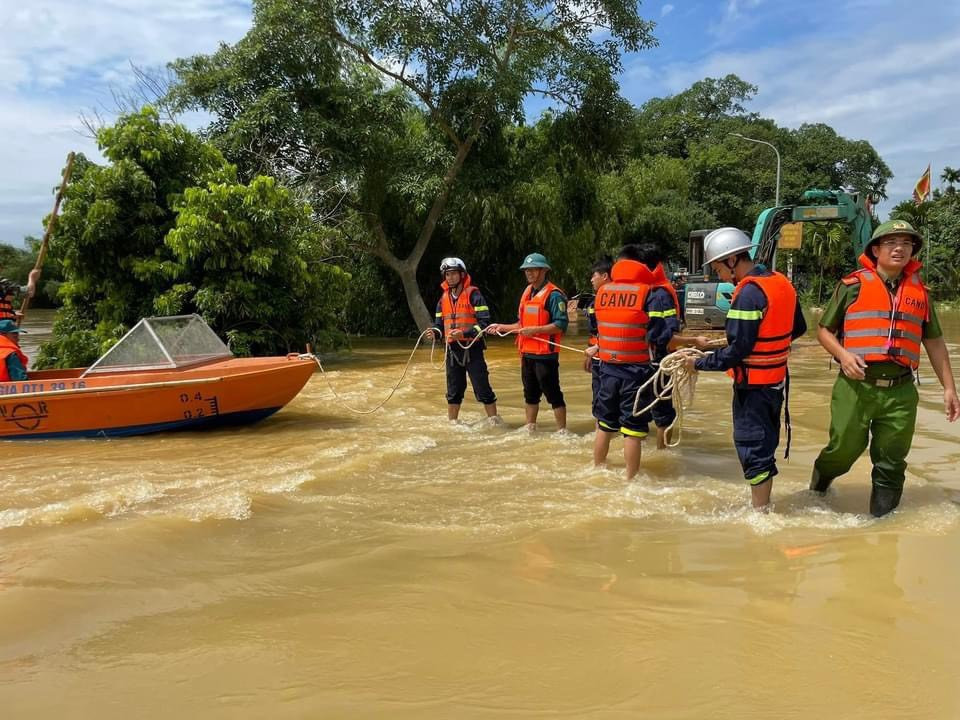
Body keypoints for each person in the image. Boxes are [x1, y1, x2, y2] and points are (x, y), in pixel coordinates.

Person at [810, 219, 959, 516]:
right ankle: (817, 490)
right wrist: (843, 355)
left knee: (891, 461)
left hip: (901, 392)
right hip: (856, 386)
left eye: (906, 243)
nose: (899, 248)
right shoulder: (851, 286)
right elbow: (824, 331)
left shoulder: (921, 293)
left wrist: (949, 388)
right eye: (891, 243)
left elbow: (935, 342)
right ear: (875, 249)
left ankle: (881, 531)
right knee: (843, 451)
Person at [683, 228, 806, 510]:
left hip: (752, 388)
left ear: (731, 261)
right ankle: (763, 505)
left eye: (717, 268)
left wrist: (697, 363)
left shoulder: (748, 293)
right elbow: (797, 328)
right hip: (774, 383)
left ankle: (761, 513)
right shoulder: (781, 282)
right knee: (764, 445)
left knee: (752, 448)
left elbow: (737, 351)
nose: (718, 275)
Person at [591, 244, 659, 479]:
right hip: (635, 372)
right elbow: (659, 334)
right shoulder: (645, 293)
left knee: (604, 424)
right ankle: (631, 479)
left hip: (607, 369)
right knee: (633, 430)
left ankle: (597, 469)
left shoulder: (603, 293)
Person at [487, 252, 569, 431]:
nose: (529, 273)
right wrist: (501, 327)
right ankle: (530, 427)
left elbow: (561, 325)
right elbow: (521, 324)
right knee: (530, 395)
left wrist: (536, 331)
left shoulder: (554, 295)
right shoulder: (527, 293)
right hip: (527, 354)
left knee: (553, 394)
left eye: (533, 270)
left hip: (546, 356)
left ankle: (562, 431)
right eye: (527, 270)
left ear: (543, 271)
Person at [430, 257, 500, 423]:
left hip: (472, 349)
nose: (450, 277)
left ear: (462, 274)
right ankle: (452, 424)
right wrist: (435, 333)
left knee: (482, 388)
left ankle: (494, 422)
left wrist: (464, 334)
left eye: (454, 273)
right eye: (447, 274)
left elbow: (484, 324)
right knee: (453, 392)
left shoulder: (473, 294)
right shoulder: (443, 299)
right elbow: (439, 325)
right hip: (452, 352)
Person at [638, 244, 684, 449]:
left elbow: (665, 337)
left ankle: (660, 455)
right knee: (650, 411)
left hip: (655, 361)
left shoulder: (657, 294)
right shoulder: (653, 292)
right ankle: (655, 455)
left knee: (659, 411)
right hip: (648, 361)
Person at [583, 255, 613, 420]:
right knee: (598, 398)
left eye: (594, 275)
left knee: (607, 401)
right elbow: (595, 332)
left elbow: (615, 332)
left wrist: (597, 348)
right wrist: (591, 353)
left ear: (605, 276)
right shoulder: (596, 301)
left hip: (609, 359)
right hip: (597, 356)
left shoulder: (612, 301)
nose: (591, 279)